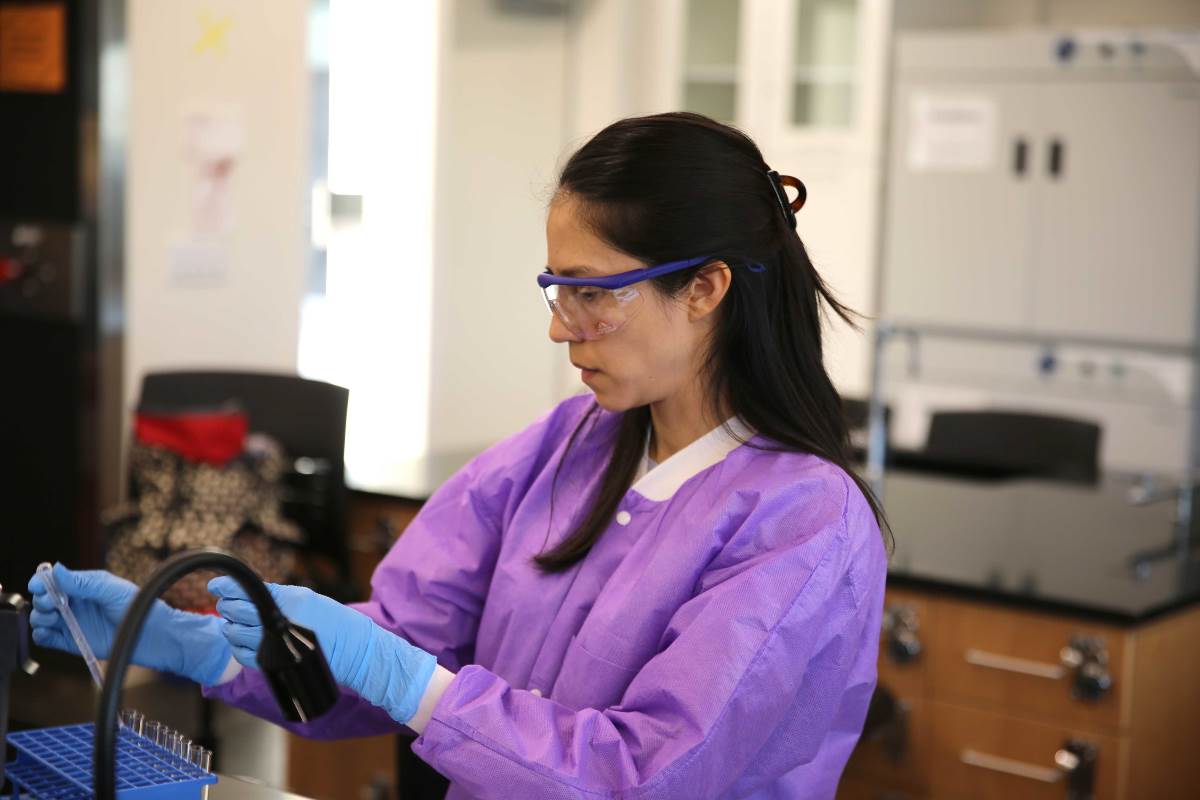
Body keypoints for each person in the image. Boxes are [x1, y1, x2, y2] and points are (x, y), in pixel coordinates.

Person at [29, 112, 889, 799]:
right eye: (556, 290)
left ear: (705, 287)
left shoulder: (803, 522)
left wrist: (420, 687)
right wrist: (204, 647)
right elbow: (399, 638)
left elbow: (644, 775)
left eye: (592, 293)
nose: (562, 326)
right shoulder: (566, 446)